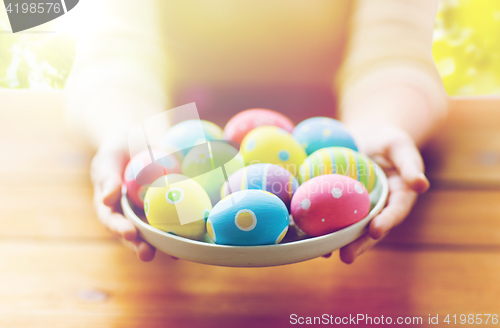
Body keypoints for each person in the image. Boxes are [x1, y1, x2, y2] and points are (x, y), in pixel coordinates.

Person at [65, 0, 448, 263]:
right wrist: (132, 133)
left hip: (331, 130)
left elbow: (395, 49)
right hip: (180, 127)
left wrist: (380, 126)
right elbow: (115, 51)